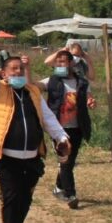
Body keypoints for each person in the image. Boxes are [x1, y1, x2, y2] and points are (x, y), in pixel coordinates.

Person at [0, 25, 71, 223]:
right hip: (5, 156)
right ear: (4, 74)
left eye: (20, 69)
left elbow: (48, 118)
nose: (18, 72)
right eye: (13, 69)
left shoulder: (32, 92)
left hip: (32, 157)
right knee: (11, 197)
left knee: (25, 199)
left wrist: (61, 137)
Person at [37, 50, 96, 209]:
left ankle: (58, 187)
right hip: (58, 129)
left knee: (69, 162)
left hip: (77, 127)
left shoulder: (82, 82)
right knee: (66, 160)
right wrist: (26, 69)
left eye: (63, 62)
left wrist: (90, 101)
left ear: (71, 63)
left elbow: (88, 96)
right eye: (57, 62)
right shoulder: (52, 81)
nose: (59, 65)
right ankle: (70, 194)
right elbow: (35, 86)